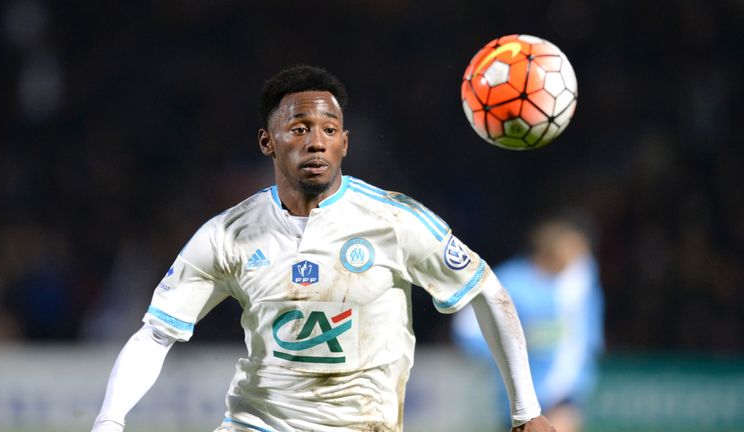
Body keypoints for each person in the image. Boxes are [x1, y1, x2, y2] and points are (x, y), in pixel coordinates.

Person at [91, 65, 555, 432]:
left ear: (346, 143)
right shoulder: (227, 234)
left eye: (330, 130)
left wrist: (526, 410)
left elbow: (485, 291)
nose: (316, 141)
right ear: (267, 142)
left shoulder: (393, 220)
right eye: (299, 128)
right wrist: (109, 421)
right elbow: (155, 335)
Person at [452, 211, 604, 432]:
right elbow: (466, 331)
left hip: (565, 395)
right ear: (550, 249)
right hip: (521, 400)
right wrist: (512, 347)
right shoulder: (511, 281)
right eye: (572, 250)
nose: (578, 258)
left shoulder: (579, 280)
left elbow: (587, 329)